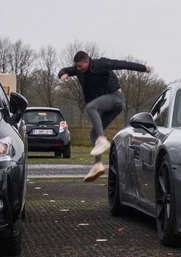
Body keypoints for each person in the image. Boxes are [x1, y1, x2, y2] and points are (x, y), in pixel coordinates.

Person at [59, 51, 151, 181]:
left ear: (87, 61)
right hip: (106, 105)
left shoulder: (100, 64)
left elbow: (122, 64)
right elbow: (65, 70)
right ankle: (98, 164)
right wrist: (63, 74)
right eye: (77, 67)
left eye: (81, 66)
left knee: (91, 107)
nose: (79, 70)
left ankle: (102, 139)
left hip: (116, 98)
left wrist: (143, 68)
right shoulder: (78, 70)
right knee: (93, 133)